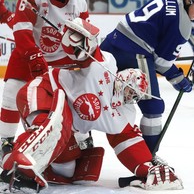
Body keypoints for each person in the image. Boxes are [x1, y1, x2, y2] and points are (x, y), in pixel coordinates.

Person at [1, 18, 183, 192]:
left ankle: (35, 167)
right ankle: (11, 166)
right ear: (123, 76)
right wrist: (82, 38)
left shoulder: (122, 115)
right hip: (43, 92)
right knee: (52, 129)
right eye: (130, 88)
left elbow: (129, 143)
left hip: (63, 114)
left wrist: (147, 168)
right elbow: (86, 49)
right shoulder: (106, 64)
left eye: (134, 95)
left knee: (67, 169)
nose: (129, 95)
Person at [100, 0, 194, 153]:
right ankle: (149, 159)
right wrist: (180, 80)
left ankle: (78, 141)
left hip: (113, 40)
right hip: (134, 52)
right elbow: (162, 63)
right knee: (153, 107)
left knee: (94, 93)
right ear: (189, 0)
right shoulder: (182, 27)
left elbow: (168, 24)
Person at [0, 0, 91, 161]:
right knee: (11, 92)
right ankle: (5, 142)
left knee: (76, 98)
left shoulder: (79, 1)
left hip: (61, 59)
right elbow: (21, 29)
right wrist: (34, 56)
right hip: (28, 52)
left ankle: (84, 141)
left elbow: (85, 37)